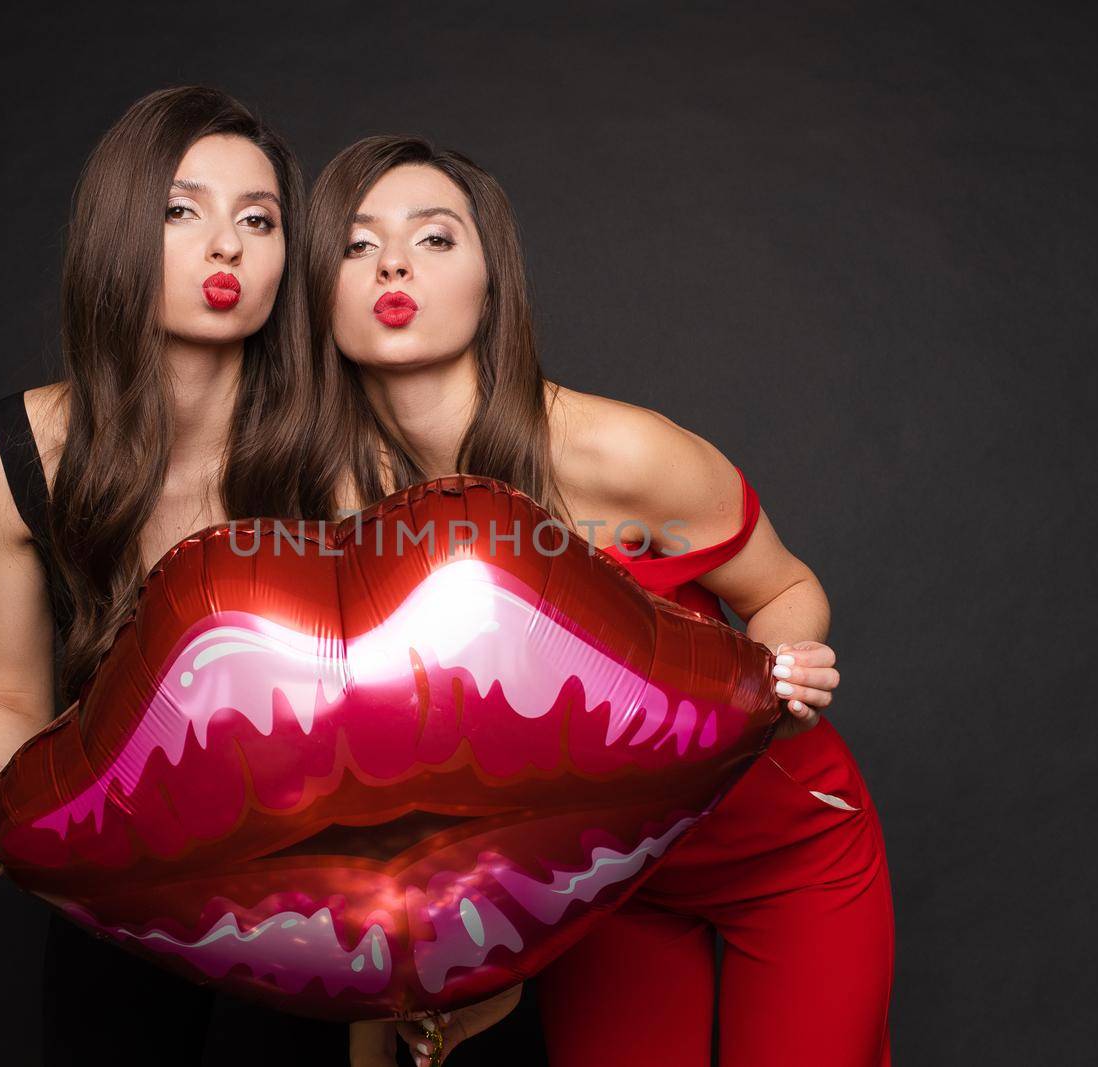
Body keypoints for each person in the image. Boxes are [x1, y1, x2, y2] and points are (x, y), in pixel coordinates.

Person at [303, 136, 892, 1067]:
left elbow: (785, 587)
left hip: (784, 856)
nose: (394, 264)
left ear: (493, 283)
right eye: (355, 243)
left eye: (436, 237)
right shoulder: (334, 520)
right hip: (604, 893)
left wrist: (783, 675)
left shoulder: (622, 453)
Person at [0, 85, 340, 1064]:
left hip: (317, 890)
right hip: (118, 883)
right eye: (180, 211)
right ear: (117, 232)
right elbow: (13, 692)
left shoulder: (339, 446)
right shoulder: (12, 449)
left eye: (258, 220)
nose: (223, 246)